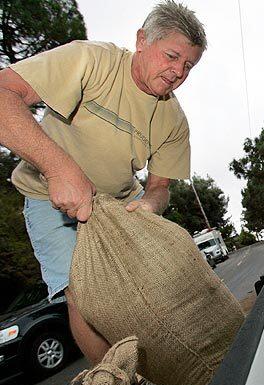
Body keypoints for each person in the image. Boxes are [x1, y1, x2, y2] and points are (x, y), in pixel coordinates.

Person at [0, 1, 207, 364]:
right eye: (171, 56)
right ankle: (114, 380)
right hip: (48, 197)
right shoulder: (90, 60)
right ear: (142, 40)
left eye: (187, 66)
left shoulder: (174, 122)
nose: (177, 72)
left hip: (116, 205)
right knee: (84, 292)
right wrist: (58, 169)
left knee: (145, 288)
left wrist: (149, 205)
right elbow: (3, 94)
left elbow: (159, 187)